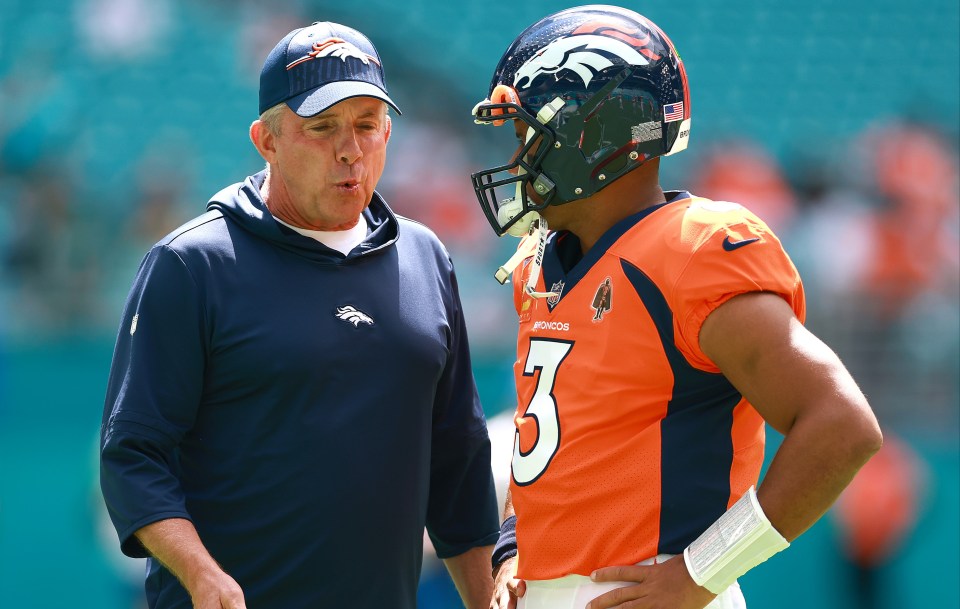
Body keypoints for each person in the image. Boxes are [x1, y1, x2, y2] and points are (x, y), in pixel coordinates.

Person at [468, 6, 883, 609]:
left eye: (529, 136)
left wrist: (701, 573)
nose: (517, 162)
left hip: (648, 587)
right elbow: (546, 447)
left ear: (594, 134)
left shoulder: (691, 250)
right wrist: (510, 550)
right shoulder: (544, 263)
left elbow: (842, 427)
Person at [99, 21, 500, 609]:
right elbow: (132, 457)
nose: (350, 149)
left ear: (389, 131)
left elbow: (458, 464)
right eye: (323, 128)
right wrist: (201, 575)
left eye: (367, 126)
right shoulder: (192, 264)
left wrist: (486, 600)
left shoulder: (425, 257)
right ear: (267, 140)